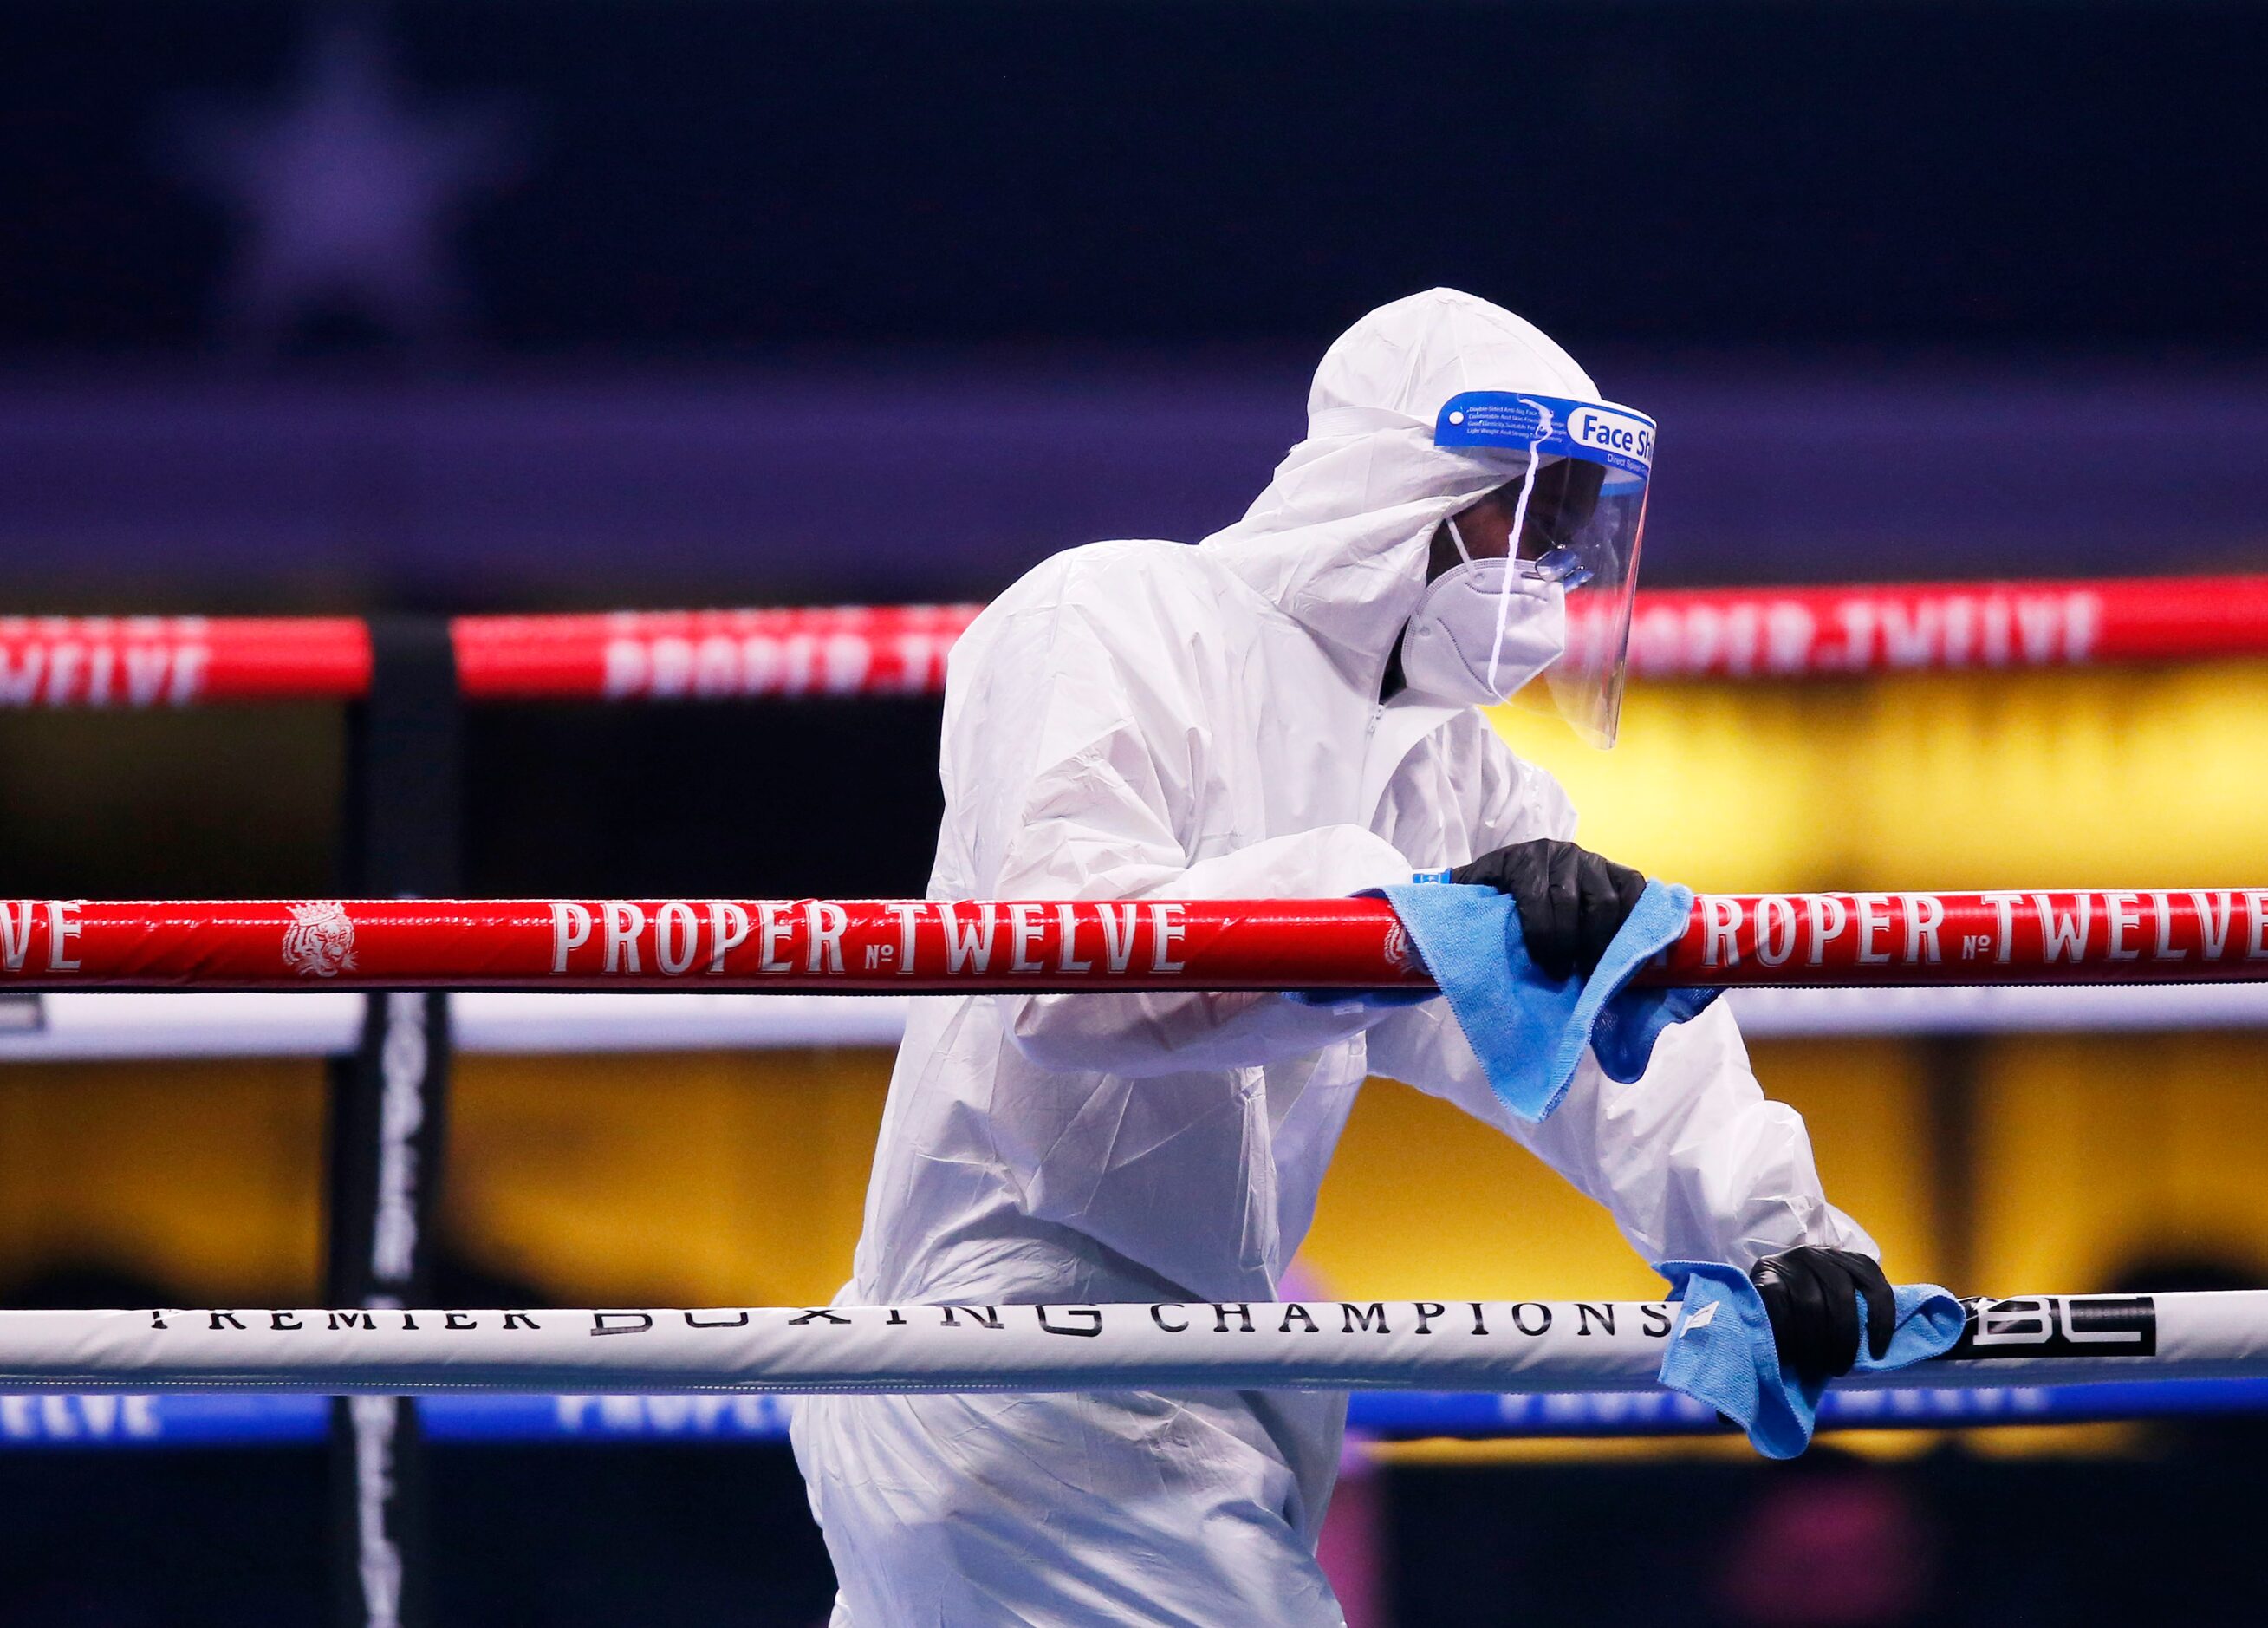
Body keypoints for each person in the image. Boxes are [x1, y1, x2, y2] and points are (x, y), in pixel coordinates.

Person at [792, 288, 1888, 1625]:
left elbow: (1603, 1026)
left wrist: (1779, 1236)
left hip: (1204, 1358)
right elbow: (1069, 969)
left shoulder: (1455, 770)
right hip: (1014, 1344)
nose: (1541, 570)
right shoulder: (1111, 612)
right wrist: (1407, 912)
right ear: (1402, 484)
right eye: (1523, 516)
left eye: (1566, 535)